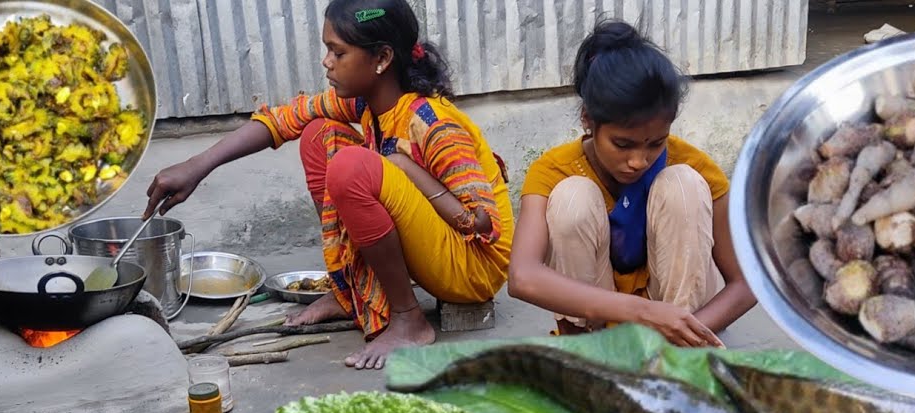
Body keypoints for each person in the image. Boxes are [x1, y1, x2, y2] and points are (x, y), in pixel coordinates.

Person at [144, 0, 513, 369]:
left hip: (473, 269)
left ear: (382, 58)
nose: (327, 62)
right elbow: (286, 119)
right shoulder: (368, 105)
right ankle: (350, 291)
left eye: (338, 52)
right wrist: (197, 166)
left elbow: (484, 226)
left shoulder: (432, 123)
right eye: (327, 50)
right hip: (442, 246)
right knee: (318, 135)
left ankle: (408, 319)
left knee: (352, 167)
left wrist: (406, 169)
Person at [508, 21, 756, 348]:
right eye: (623, 145)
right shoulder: (554, 169)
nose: (639, 161)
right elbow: (522, 277)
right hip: (596, 328)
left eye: (656, 144)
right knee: (572, 198)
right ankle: (589, 352)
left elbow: (745, 284)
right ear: (588, 120)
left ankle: (676, 357)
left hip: (677, 329)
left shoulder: (694, 165)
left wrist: (687, 331)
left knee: (683, 186)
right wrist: (642, 312)